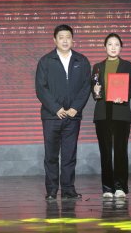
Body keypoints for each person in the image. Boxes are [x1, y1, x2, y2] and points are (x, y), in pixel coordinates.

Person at [35, 24, 91, 201]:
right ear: (54, 40)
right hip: (52, 116)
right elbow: (41, 88)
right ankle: (52, 190)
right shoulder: (46, 61)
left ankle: (68, 190)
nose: (65, 41)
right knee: (51, 155)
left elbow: (86, 87)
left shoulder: (81, 61)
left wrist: (75, 108)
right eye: (61, 37)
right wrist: (56, 108)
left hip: (73, 116)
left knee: (69, 155)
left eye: (68, 37)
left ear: (73, 40)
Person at [91, 33, 131, 199]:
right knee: (105, 152)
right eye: (110, 44)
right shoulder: (97, 67)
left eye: (116, 44)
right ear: (105, 47)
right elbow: (94, 90)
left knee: (120, 151)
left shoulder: (127, 65)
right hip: (102, 113)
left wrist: (123, 97)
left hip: (121, 113)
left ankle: (120, 186)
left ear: (121, 47)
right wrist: (95, 91)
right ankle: (107, 188)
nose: (113, 47)